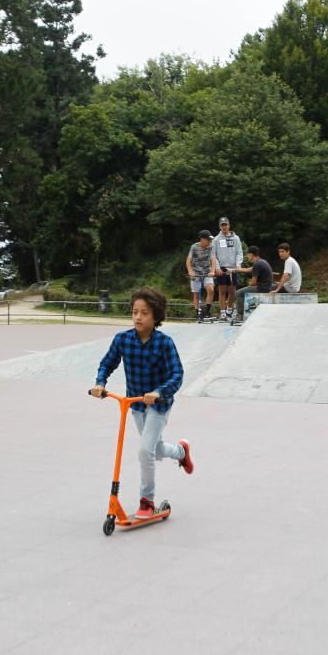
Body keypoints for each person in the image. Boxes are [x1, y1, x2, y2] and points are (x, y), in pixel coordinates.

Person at [90, 287, 194, 519]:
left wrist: (158, 392)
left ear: (156, 316)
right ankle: (181, 451)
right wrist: (100, 383)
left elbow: (177, 375)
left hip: (158, 404)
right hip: (135, 404)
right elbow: (107, 363)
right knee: (154, 450)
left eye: (144, 313)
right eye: (135, 312)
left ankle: (146, 501)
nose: (138, 317)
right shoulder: (123, 340)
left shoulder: (165, 343)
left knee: (145, 451)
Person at [232, 246, 273, 323]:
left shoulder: (257, 265)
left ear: (251, 254)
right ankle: (243, 311)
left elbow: (253, 283)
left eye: (248, 255)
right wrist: (234, 270)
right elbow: (247, 270)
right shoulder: (261, 261)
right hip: (267, 286)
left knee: (239, 293)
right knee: (245, 290)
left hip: (262, 288)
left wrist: (249, 284)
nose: (247, 256)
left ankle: (240, 315)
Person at [211, 217, 243, 320]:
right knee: (222, 291)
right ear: (220, 226)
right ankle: (223, 313)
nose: (224, 227)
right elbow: (213, 255)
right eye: (222, 225)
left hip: (233, 268)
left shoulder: (236, 238)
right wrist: (217, 268)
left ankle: (229, 310)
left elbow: (239, 252)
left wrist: (238, 265)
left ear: (229, 225)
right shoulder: (216, 239)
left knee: (232, 291)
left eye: (226, 224)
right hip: (222, 268)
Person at [186, 229, 218, 319]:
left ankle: (207, 311)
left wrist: (212, 271)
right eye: (208, 239)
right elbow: (188, 260)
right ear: (202, 239)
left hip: (207, 272)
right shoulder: (194, 247)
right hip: (196, 272)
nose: (210, 241)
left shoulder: (211, 246)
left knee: (211, 289)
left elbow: (213, 258)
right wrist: (190, 271)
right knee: (196, 293)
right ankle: (198, 313)